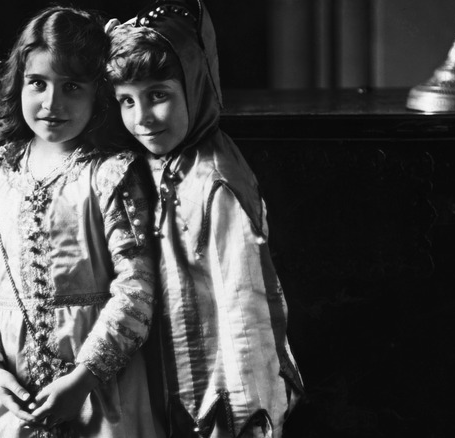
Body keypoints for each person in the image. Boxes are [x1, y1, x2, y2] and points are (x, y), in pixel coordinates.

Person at [0, 6, 163, 437]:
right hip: (8, 388)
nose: (52, 103)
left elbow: (136, 287)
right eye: (38, 84)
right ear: (19, 85)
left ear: (97, 93)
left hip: (100, 387)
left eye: (71, 87)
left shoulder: (110, 175)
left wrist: (84, 378)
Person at [104, 1, 305, 437]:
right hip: (160, 383)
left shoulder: (216, 180)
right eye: (126, 101)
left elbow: (245, 308)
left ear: (194, 88)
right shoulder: (151, 163)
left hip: (217, 398)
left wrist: (247, 415)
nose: (142, 119)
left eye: (159, 95)